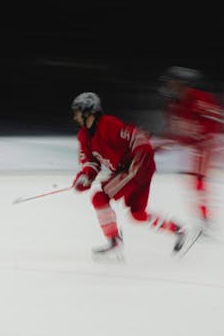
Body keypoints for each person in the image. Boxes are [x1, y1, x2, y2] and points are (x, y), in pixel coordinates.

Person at [71, 91, 201, 262]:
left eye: (77, 112)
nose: (75, 117)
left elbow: (136, 137)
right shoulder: (84, 136)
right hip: (134, 170)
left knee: (99, 197)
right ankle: (179, 230)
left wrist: (138, 160)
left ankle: (114, 243)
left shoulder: (108, 124)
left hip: (137, 167)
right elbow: (90, 163)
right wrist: (85, 178)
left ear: (88, 111)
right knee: (137, 214)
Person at [157, 66, 224, 230]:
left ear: (182, 84)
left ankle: (205, 219)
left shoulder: (199, 99)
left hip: (206, 144)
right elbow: (175, 132)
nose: (169, 87)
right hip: (193, 145)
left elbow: (220, 118)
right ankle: (204, 217)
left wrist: (208, 137)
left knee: (198, 180)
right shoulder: (172, 104)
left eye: (172, 83)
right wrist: (160, 146)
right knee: (193, 181)